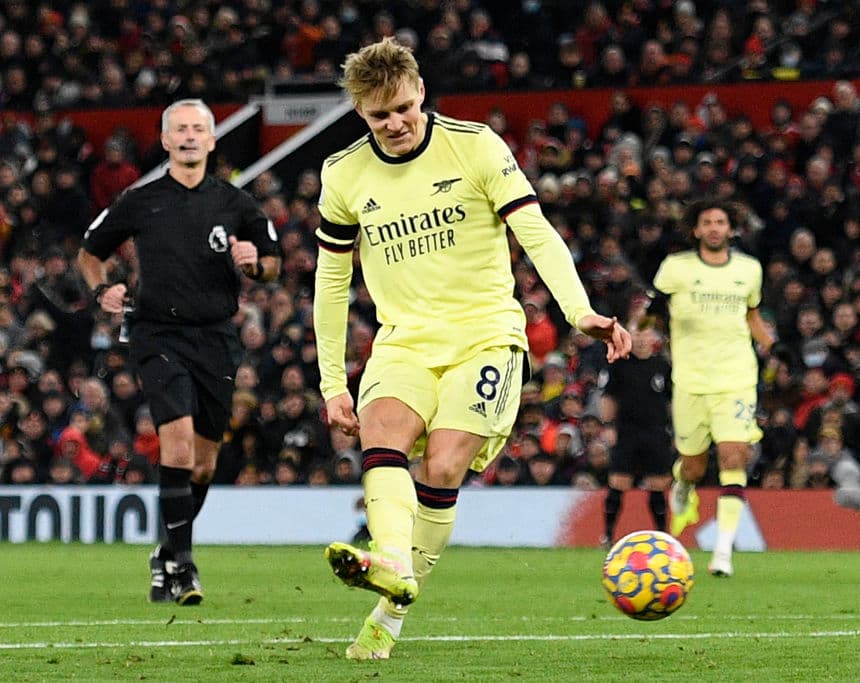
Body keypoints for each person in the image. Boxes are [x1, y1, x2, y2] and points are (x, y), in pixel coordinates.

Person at [314, 38, 631, 660]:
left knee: (444, 466)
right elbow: (330, 281)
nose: (396, 123)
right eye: (380, 116)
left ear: (421, 91)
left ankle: (389, 613)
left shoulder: (476, 145)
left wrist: (580, 310)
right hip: (403, 342)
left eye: (403, 107)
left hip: (486, 336)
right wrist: (332, 382)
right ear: (360, 114)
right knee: (382, 436)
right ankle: (393, 565)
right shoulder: (344, 174)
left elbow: (533, 231)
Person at [78, 99, 281, 605]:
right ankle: (185, 566)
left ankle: (165, 550)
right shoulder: (140, 200)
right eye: (179, 130)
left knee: (206, 465)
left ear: (212, 141)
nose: (189, 136)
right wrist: (102, 289)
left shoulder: (236, 204)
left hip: (216, 339)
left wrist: (255, 264)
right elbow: (89, 253)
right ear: (165, 141)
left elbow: (273, 263)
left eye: (198, 129)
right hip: (157, 336)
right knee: (179, 447)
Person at [653, 199, 775, 578]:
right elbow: (653, 312)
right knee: (693, 464)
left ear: (731, 228)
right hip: (690, 380)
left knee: (734, 456)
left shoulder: (749, 270)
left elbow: (752, 316)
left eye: (721, 222)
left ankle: (723, 551)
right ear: (696, 230)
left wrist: (774, 348)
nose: (714, 228)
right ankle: (683, 485)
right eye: (707, 222)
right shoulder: (676, 269)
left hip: (736, 377)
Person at [598, 316, 674, 547]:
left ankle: (663, 535)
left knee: (658, 485)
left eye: (645, 334)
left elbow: (672, 402)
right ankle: (608, 535)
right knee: (618, 482)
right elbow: (609, 398)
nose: (641, 339)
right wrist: (608, 426)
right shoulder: (620, 364)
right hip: (627, 432)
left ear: (654, 337)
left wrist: (678, 431)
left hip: (656, 432)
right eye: (637, 334)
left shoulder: (663, 365)